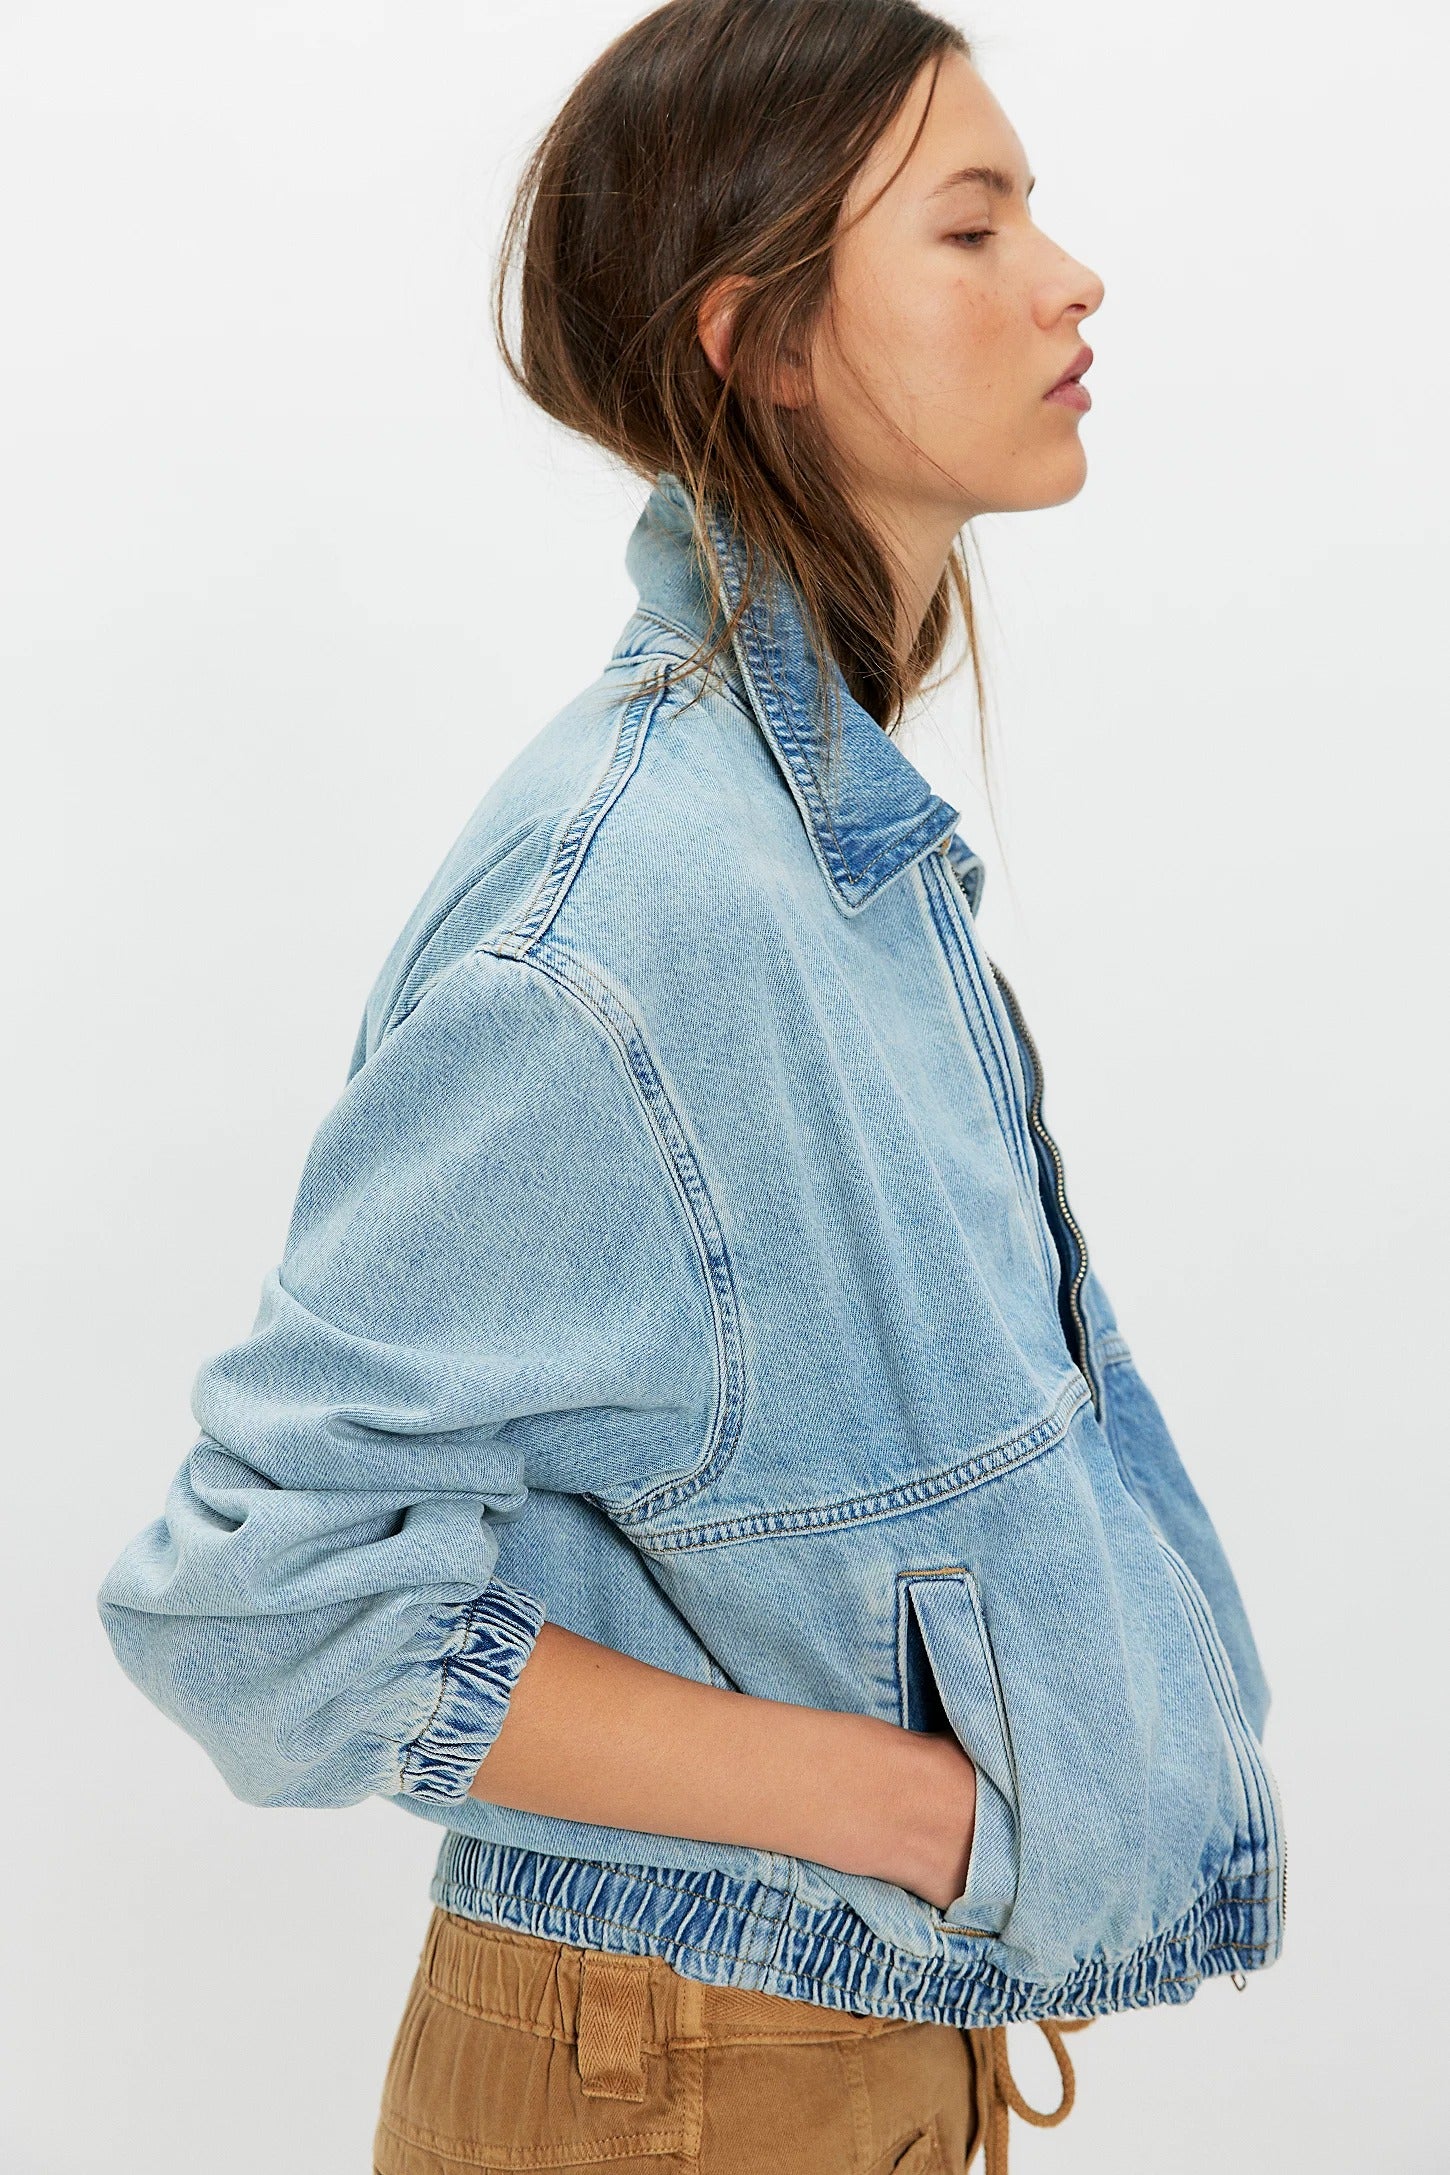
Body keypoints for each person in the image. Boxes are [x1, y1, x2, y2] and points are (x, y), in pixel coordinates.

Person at [95, 3, 1286, 2169]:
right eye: (970, 220)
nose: (1067, 272)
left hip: (790, 2033)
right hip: (683, 2065)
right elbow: (256, 1602)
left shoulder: (813, 846)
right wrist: (915, 1804)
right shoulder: (638, 909)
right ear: (765, 339)